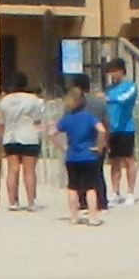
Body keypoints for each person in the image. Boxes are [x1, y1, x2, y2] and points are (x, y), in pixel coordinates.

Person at [55, 82, 109, 224]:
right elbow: (102, 130)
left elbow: (51, 133)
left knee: (73, 187)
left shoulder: (67, 118)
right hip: (88, 155)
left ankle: (74, 217)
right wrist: (99, 146)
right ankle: (93, 217)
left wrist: (61, 147)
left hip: (72, 155)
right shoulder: (89, 117)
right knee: (90, 187)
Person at [0, 81, 48, 210]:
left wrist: (1, 136)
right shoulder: (33, 100)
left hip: (10, 136)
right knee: (29, 171)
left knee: (12, 170)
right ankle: (31, 202)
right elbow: (37, 119)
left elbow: (1, 122)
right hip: (28, 136)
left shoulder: (5, 101)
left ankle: (12, 202)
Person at [104, 58, 139, 205]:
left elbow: (123, 99)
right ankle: (115, 192)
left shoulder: (130, 86)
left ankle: (130, 193)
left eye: (114, 71)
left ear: (121, 70)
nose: (112, 75)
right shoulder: (108, 88)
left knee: (128, 160)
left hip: (126, 128)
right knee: (114, 161)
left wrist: (108, 98)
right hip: (111, 129)